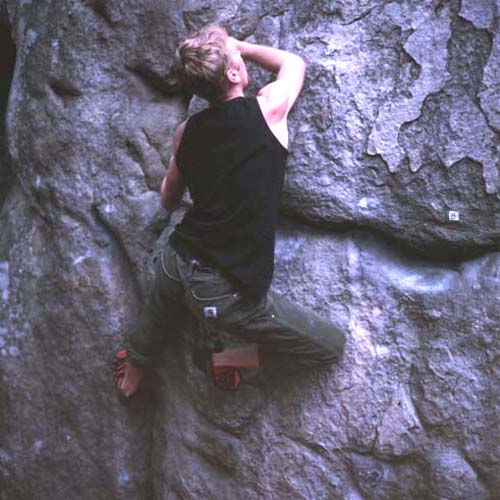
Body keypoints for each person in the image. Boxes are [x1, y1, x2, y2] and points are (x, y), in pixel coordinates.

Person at [113, 25, 346, 399]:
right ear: (235, 73)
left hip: (176, 259)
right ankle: (228, 358)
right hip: (223, 293)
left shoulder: (186, 132)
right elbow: (293, 63)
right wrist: (246, 47)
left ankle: (136, 366)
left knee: (162, 301)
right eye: (235, 56)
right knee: (328, 345)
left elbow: (168, 201)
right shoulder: (267, 109)